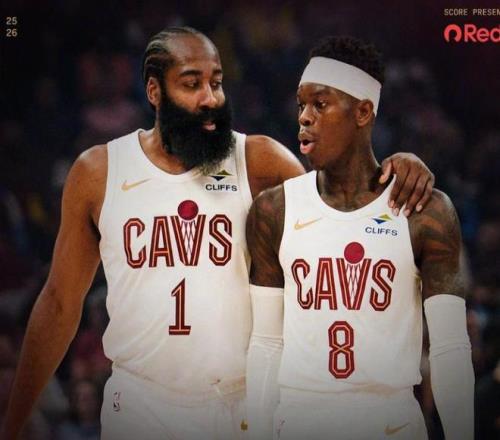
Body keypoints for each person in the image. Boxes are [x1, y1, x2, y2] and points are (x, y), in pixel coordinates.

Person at [2, 27, 435, 440]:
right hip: (138, 405)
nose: (210, 98)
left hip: (243, 406)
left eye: (217, 83)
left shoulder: (260, 161)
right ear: (154, 91)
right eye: (192, 84)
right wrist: (12, 425)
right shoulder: (99, 173)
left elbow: (345, 216)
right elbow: (59, 303)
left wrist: (397, 168)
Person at [246, 36, 474, 440]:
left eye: (320, 104)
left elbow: (449, 348)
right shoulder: (274, 209)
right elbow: (265, 343)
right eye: (301, 105)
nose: (304, 117)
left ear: (363, 112)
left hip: (390, 421)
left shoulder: (426, 211)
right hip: (299, 420)